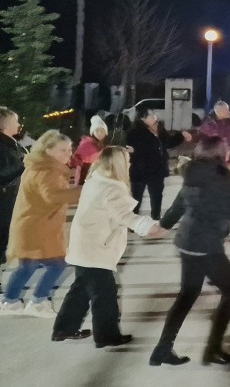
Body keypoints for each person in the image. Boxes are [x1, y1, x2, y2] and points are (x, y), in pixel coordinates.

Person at [150, 136, 230, 367]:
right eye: (227, 148)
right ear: (220, 153)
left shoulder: (191, 172)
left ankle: (162, 349)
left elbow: (180, 204)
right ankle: (213, 349)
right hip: (206, 247)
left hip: (186, 243)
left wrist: (164, 225)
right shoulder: (222, 178)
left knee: (187, 295)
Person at [53, 146, 161, 347]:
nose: (129, 164)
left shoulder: (96, 180)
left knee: (81, 289)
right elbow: (125, 215)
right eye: (127, 160)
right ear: (118, 164)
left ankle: (63, 329)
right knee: (105, 294)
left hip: (85, 243)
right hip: (95, 247)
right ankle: (107, 336)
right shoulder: (111, 188)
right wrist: (147, 226)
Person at [1, 130, 82, 317]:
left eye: (69, 149)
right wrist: (83, 191)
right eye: (62, 150)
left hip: (33, 225)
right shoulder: (47, 171)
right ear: (47, 150)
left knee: (27, 266)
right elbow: (53, 196)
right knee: (57, 265)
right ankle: (37, 302)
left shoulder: (38, 167)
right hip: (37, 227)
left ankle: (9, 301)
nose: (68, 153)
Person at [125, 108, 192, 219]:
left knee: (156, 196)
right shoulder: (135, 132)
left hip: (157, 169)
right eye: (151, 115)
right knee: (136, 197)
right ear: (143, 118)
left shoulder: (159, 129)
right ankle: (132, 221)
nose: (154, 117)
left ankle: (156, 219)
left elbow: (168, 143)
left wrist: (181, 136)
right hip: (140, 170)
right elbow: (136, 149)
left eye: (154, 115)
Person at [0, 107, 27, 284]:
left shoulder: (11, 144)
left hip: (11, 203)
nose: (18, 124)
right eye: (15, 121)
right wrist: (23, 164)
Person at [198, 101, 230, 166]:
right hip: (213, 162)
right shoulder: (207, 125)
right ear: (219, 112)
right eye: (226, 110)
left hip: (229, 161)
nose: (229, 112)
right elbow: (203, 145)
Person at [72, 115, 108, 184]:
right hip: (85, 177)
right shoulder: (87, 144)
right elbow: (96, 155)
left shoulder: (101, 145)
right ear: (93, 132)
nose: (100, 133)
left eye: (102, 130)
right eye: (97, 130)